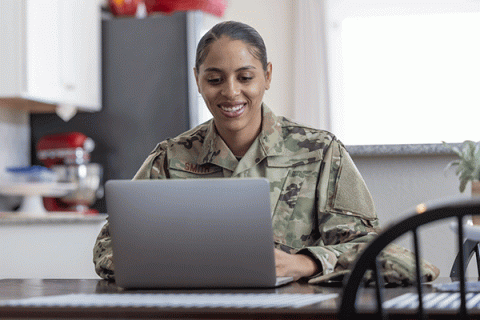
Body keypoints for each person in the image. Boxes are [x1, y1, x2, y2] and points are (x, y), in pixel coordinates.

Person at [93, 21, 439, 284]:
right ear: (198, 79)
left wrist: (307, 263)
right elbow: (108, 249)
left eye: (245, 77)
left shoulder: (320, 153)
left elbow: (374, 249)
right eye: (215, 80)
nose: (231, 93)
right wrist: (182, 264)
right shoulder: (171, 158)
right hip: (193, 311)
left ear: (267, 76)